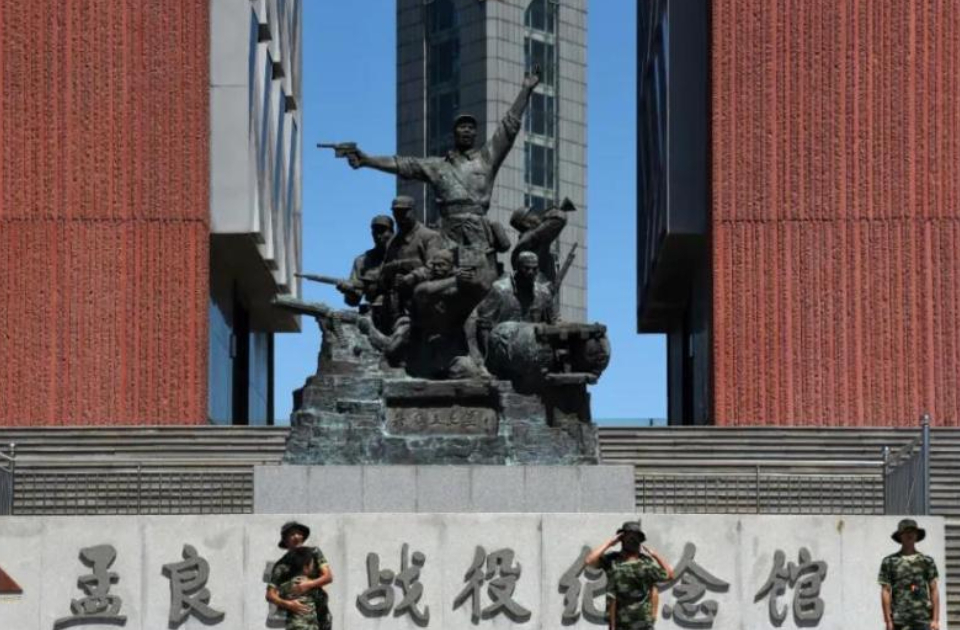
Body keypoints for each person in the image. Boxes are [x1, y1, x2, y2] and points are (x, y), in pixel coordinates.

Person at [344, 70, 541, 281]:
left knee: (481, 281)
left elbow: (509, 127)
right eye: (462, 127)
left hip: (478, 234)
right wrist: (367, 160)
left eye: (471, 128)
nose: (467, 131)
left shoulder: (487, 159)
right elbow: (403, 164)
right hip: (446, 234)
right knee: (439, 279)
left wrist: (526, 90)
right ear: (453, 133)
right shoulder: (438, 166)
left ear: (476, 133)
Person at [585, 521, 674, 630]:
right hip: (620, 625)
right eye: (629, 536)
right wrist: (610, 543)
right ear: (622, 538)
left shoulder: (646, 563)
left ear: (640, 540)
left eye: (635, 537)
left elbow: (669, 575)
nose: (632, 540)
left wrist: (655, 555)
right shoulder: (612, 560)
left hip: (643, 625)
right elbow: (589, 561)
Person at [378, 196, 442, 332]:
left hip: (422, 304)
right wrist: (389, 274)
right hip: (397, 307)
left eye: (403, 212)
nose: (399, 217)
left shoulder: (429, 236)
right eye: (396, 213)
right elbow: (383, 275)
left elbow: (435, 268)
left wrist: (411, 277)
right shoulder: (392, 242)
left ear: (413, 211)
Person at [266, 521, 333, 630]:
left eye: (299, 534)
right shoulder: (281, 565)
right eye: (292, 534)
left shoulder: (313, 553)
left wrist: (309, 584)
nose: (296, 537)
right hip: (299, 617)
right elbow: (270, 595)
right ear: (286, 541)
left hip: (320, 612)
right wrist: (288, 604)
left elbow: (328, 577)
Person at [879, 519, 940, 630]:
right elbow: (885, 591)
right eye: (906, 532)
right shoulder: (889, 562)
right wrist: (888, 621)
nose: (910, 534)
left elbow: (934, 589)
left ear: (917, 535)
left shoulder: (927, 561)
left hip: (923, 619)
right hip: (899, 620)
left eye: (912, 531)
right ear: (900, 536)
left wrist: (935, 620)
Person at [338, 215, 394, 332]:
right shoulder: (362, 261)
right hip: (373, 317)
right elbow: (353, 301)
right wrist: (349, 291)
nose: (379, 236)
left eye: (382, 231)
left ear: (392, 233)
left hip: (398, 315)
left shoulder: (402, 256)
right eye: (375, 232)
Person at [277, 547, 320, 630]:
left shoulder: (287, 585)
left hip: (293, 625)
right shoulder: (310, 584)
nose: (313, 567)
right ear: (305, 567)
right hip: (308, 626)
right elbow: (320, 598)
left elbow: (279, 598)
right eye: (312, 565)